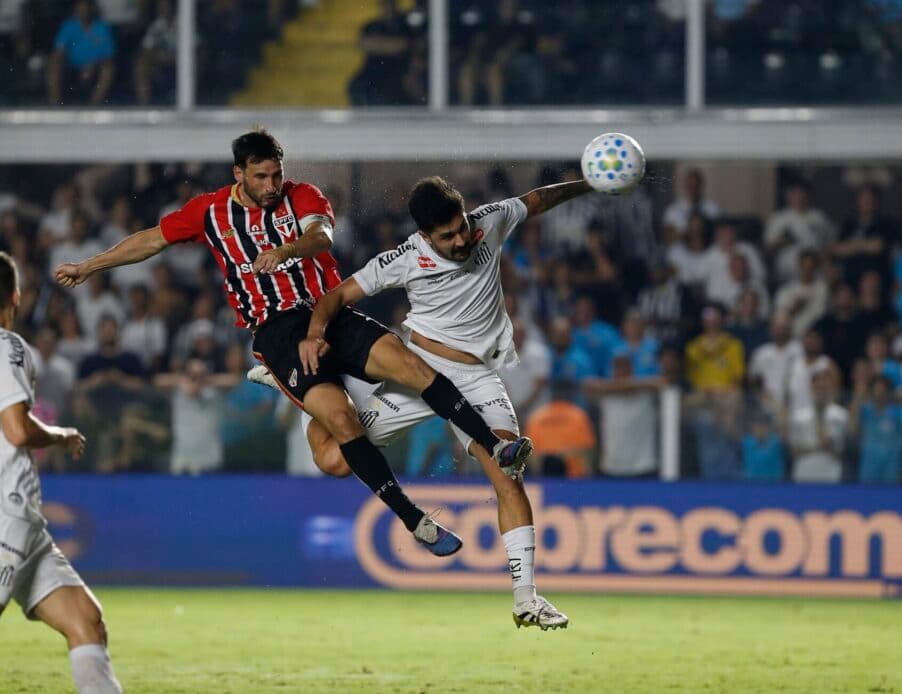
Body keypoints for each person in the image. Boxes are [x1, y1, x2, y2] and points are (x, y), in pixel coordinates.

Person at [54, 129, 532, 559]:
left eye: (276, 174)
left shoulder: (303, 195)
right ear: (238, 173)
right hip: (277, 331)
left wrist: (285, 251)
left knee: (410, 364)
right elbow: (152, 240)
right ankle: (416, 520)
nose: (271, 185)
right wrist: (89, 266)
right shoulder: (211, 211)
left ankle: (494, 444)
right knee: (342, 422)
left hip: (329, 312)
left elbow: (320, 236)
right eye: (260, 176)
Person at [255, 173, 599, 630]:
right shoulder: (403, 259)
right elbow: (336, 296)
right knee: (334, 460)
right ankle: (289, 383)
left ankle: (526, 598)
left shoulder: (489, 221)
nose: (461, 240)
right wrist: (315, 336)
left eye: (461, 228)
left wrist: (590, 182)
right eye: (447, 236)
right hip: (419, 373)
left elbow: (537, 199)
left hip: (478, 377)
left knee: (508, 474)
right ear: (424, 235)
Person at [0, 252, 123, 693]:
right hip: (5, 516)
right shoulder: (7, 344)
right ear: (16, 296)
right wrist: (60, 434)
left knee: (86, 622)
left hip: (27, 529)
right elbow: (16, 429)